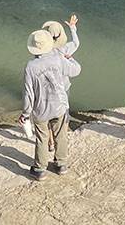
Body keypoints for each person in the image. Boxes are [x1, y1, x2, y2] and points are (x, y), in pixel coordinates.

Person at [20, 29, 82, 180]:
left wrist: (26, 113)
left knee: (42, 138)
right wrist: (71, 59)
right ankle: (61, 164)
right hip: (60, 105)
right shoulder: (58, 59)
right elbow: (76, 71)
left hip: (41, 109)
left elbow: (28, 93)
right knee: (60, 134)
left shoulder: (30, 66)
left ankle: (40, 169)